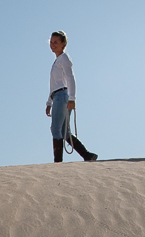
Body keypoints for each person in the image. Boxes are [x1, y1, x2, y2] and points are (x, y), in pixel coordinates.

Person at [45, 30, 98, 163]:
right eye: (51, 42)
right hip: (58, 96)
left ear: (63, 43)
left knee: (56, 129)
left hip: (63, 95)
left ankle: (58, 162)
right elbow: (53, 85)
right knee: (64, 131)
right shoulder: (57, 61)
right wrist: (49, 102)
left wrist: (72, 98)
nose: (52, 44)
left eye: (56, 42)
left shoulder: (64, 58)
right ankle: (87, 155)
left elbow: (70, 78)